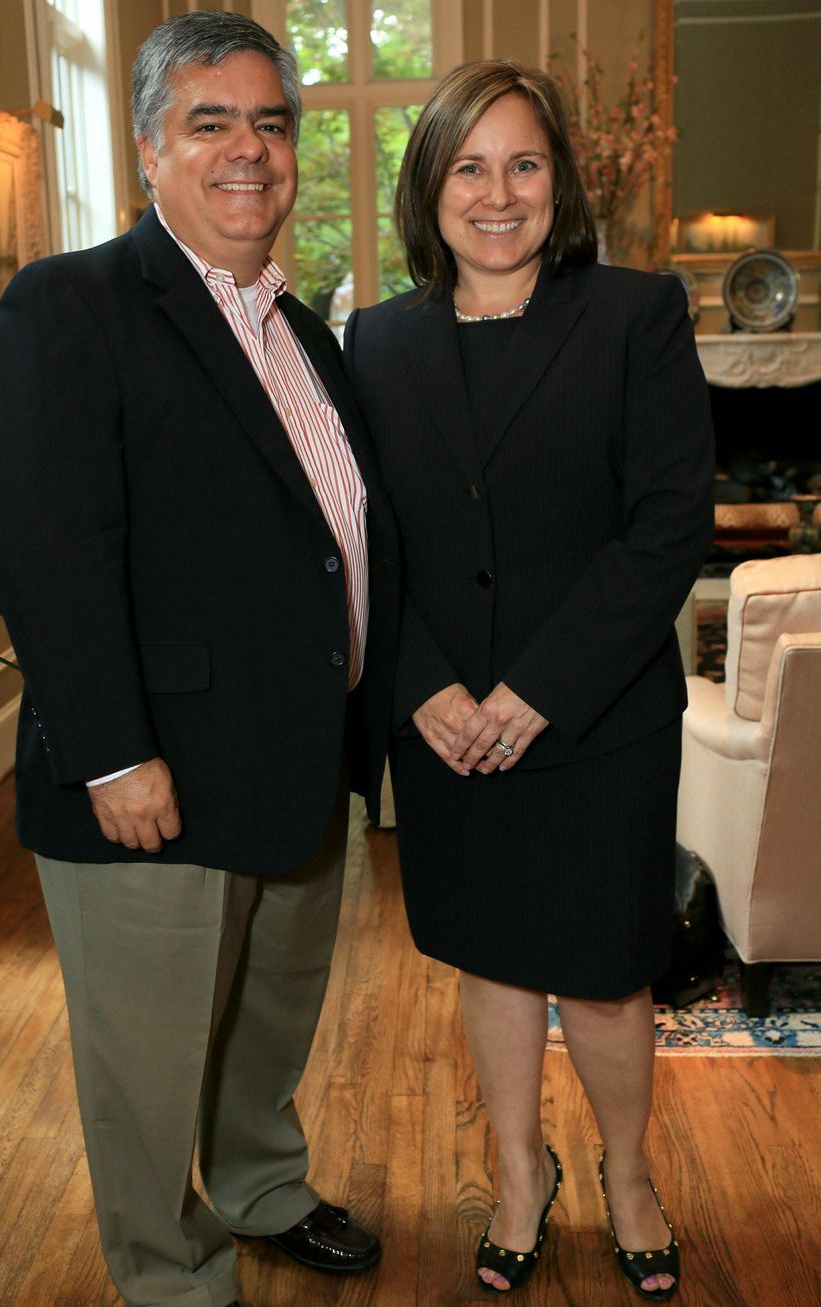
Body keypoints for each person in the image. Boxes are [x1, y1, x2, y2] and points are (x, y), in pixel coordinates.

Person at [0, 12, 399, 1307]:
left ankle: (264, 1184)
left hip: (292, 760)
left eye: (271, 124)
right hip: (151, 784)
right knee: (148, 1062)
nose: (250, 152)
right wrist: (113, 752)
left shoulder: (299, 330)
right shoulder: (76, 303)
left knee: (268, 1020)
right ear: (150, 146)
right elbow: (50, 550)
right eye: (212, 122)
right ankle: (169, 1274)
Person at [344, 61, 713, 1302]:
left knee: (606, 972)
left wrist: (537, 690)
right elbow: (362, 540)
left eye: (522, 163)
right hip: (444, 726)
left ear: (557, 182)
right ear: (428, 186)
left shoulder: (634, 314)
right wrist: (421, 687)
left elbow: (666, 526)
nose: (495, 193)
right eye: (468, 165)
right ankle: (516, 1172)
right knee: (491, 962)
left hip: (596, 714)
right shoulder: (376, 339)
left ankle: (627, 1172)